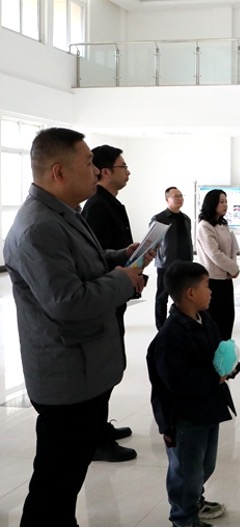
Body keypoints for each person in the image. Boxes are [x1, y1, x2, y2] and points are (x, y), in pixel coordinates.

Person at [3, 127, 148, 526]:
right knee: (54, 484)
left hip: (84, 369)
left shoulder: (63, 213)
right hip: (66, 375)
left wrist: (120, 257)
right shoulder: (38, 227)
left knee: (65, 479)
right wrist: (123, 280)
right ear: (59, 172)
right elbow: (68, 301)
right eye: (88, 163)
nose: (96, 171)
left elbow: (83, 263)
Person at [146, 261, 237, 527]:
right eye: (207, 285)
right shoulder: (169, 337)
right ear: (190, 293)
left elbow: (217, 350)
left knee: (205, 465)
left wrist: (230, 365)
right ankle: (183, 517)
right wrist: (215, 377)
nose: (211, 291)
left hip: (208, 406)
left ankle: (194, 499)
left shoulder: (204, 319)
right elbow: (177, 381)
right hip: (184, 416)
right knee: (186, 469)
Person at [81, 143, 138, 463]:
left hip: (115, 293)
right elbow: (95, 261)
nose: (127, 171)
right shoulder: (97, 207)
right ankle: (95, 439)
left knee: (112, 363)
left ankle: (100, 428)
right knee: (103, 367)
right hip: (105, 296)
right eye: (122, 166)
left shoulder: (110, 203)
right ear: (104, 171)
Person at [196, 189, 240, 341]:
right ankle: (215, 352)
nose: (225, 205)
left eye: (226, 201)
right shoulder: (204, 226)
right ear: (212, 203)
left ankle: (226, 351)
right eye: (221, 202)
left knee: (228, 318)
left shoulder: (222, 224)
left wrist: (233, 268)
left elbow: (233, 248)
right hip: (213, 279)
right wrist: (233, 268)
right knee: (215, 319)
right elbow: (214, 254)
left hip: (226, 279)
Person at [151, 186, 194, 330]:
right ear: (167, 199)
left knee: (184, 297)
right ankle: (161, 327)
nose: (180, 198)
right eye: (176, 196)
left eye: (181, 195)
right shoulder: (159, 219)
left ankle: (182, 324)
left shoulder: (186, 219)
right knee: (162, 297)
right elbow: (152, 243)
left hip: (185, 265)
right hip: (166, 265)